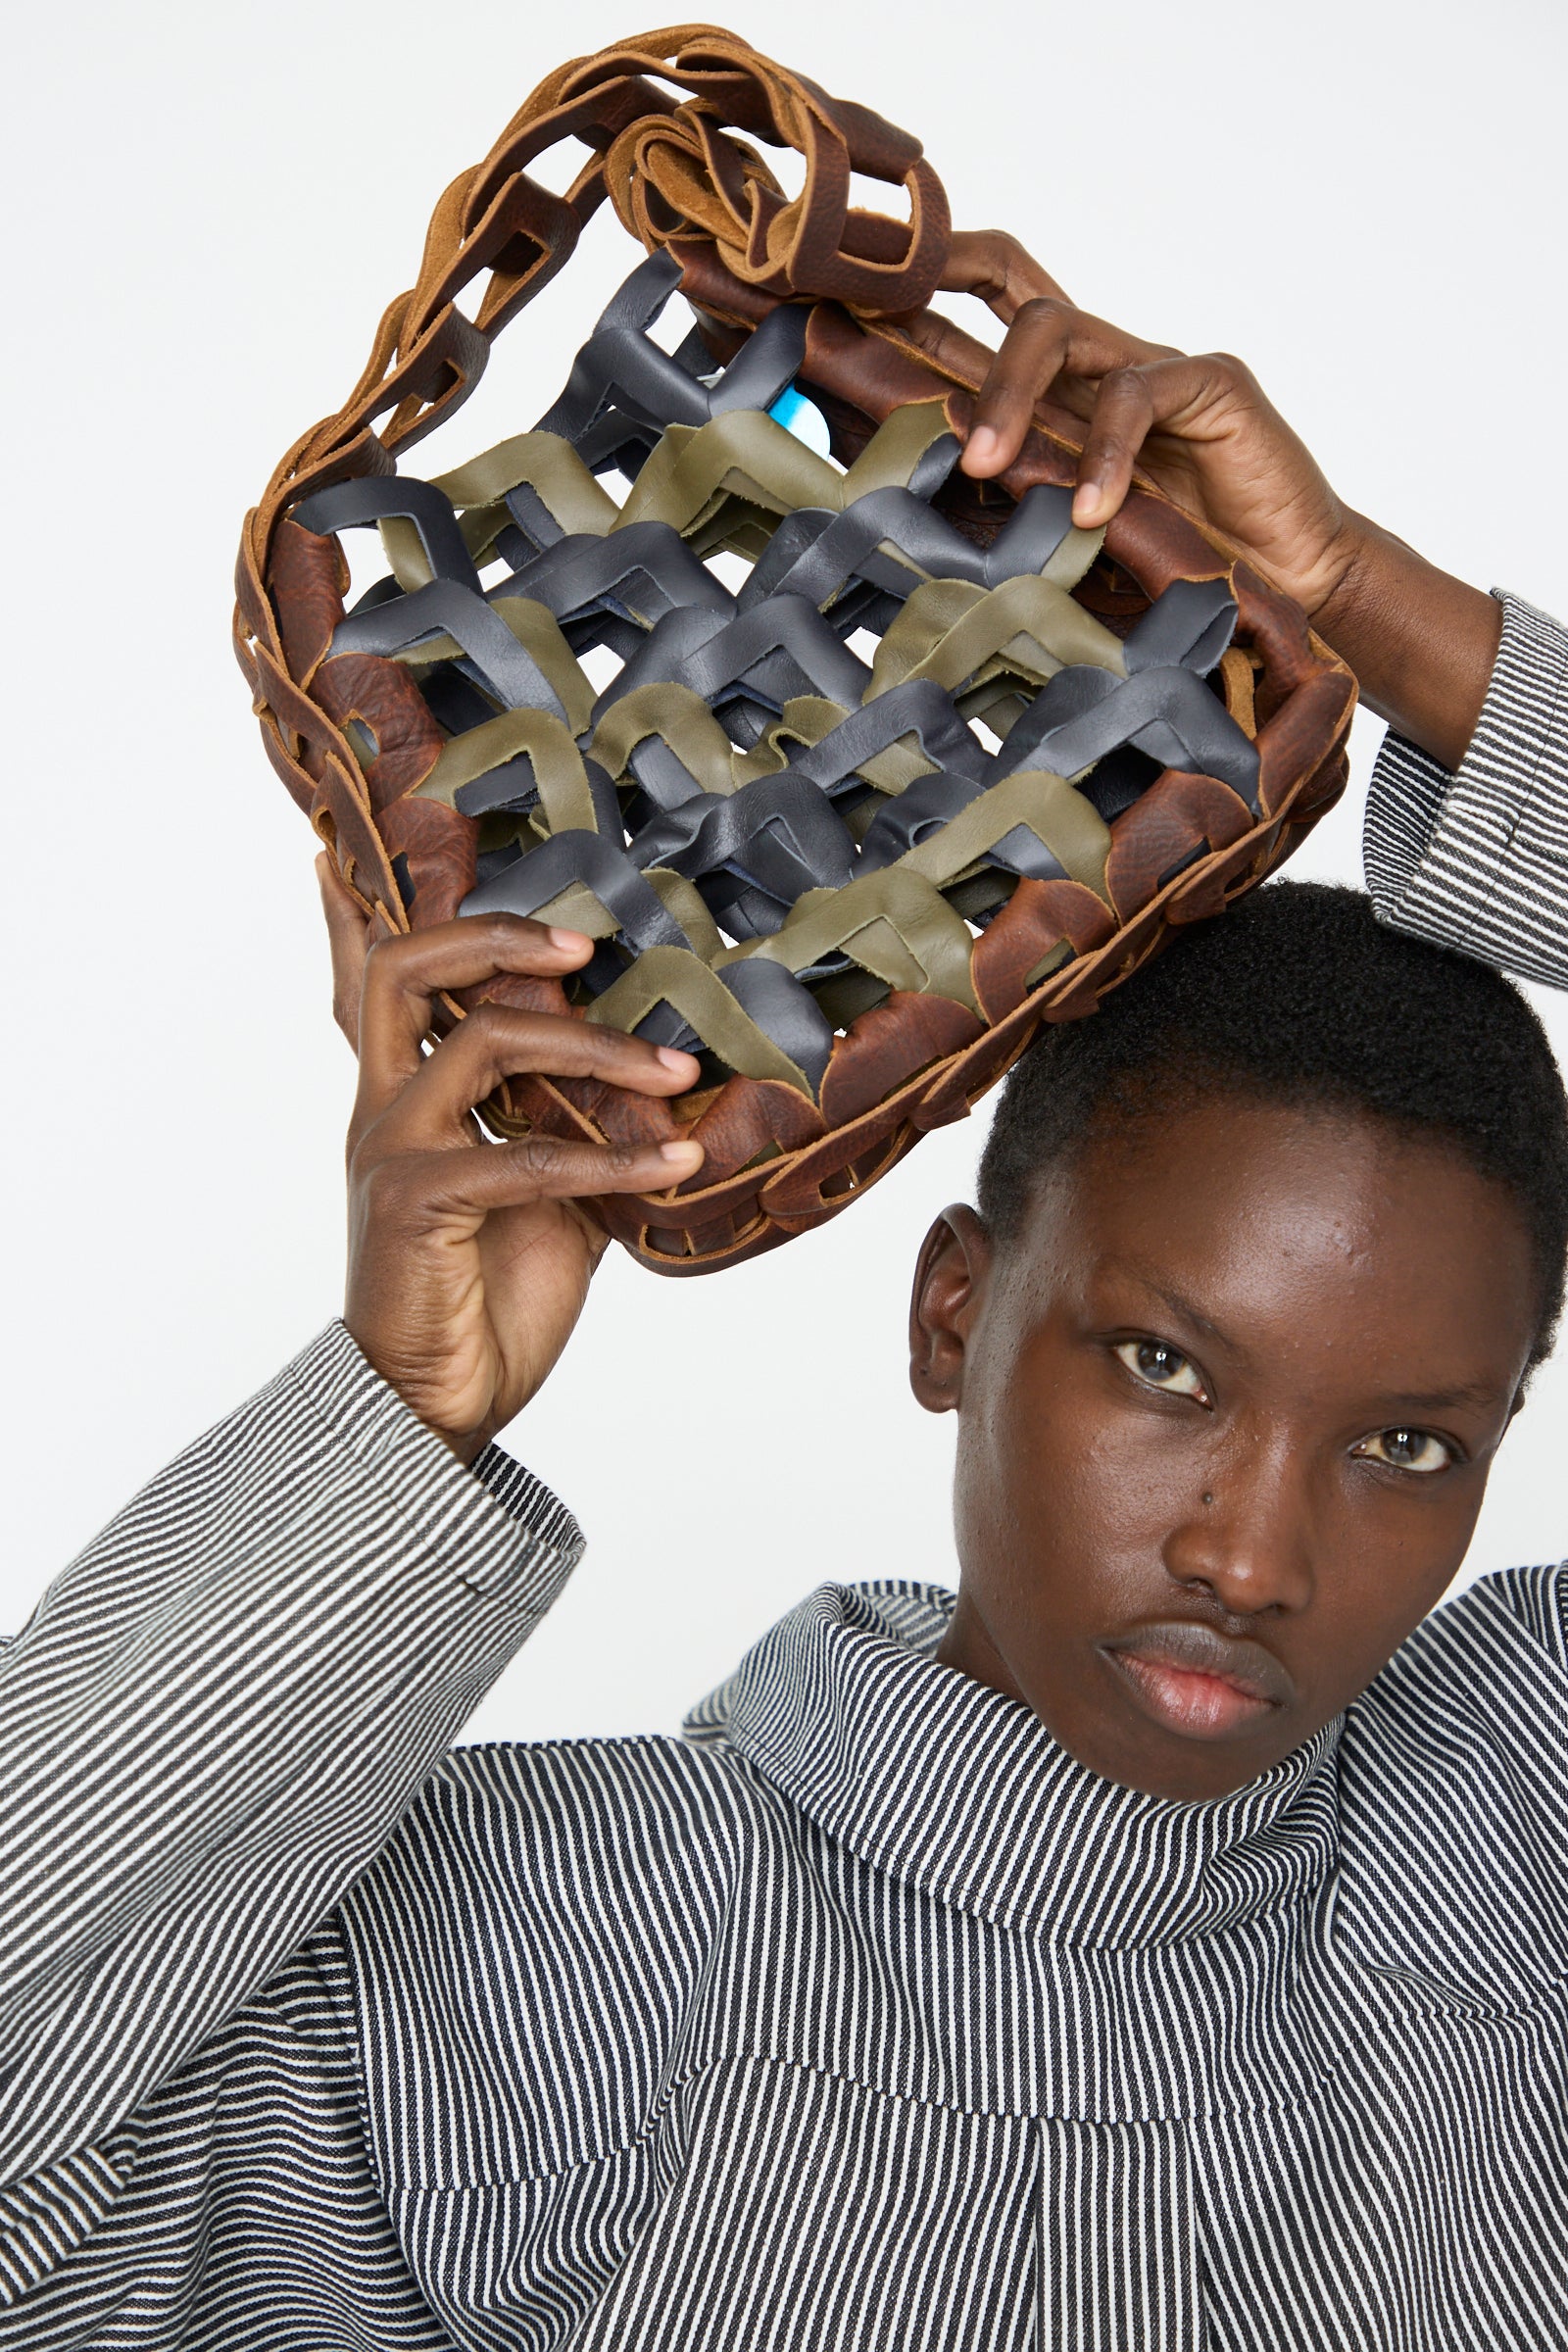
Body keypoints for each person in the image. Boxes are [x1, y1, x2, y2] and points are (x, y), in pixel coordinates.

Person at [2, 230, 1566, 2349]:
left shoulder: (1512, 1838)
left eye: (1404, 1442)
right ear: (951, 1315)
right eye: (1163, 1364)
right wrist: (393, 1424)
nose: (1253, 1550)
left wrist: (1385, 615)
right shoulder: (533, 1952)